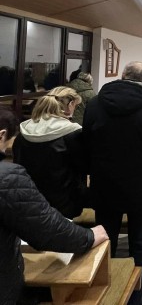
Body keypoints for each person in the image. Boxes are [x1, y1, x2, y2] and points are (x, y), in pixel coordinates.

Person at [82, 61, 142, 305]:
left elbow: (87, 140)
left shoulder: (96, 103)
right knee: (140, 242)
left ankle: (102, 292)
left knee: (105, 238)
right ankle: (135, 295)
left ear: (122, 75)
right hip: (141, 182)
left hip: (105, 181)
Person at [0, 109, 108, 304]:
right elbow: (47, 230)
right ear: (2, 135)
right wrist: (89, 235)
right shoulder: (7, 178)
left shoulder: (24, 137)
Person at [13, 87, 88, 219]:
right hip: (63, 204)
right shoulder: (73, 134)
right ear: (70, 105)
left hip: (28, 200)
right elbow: (84, 166)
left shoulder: (23, 132)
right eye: (75, 106)